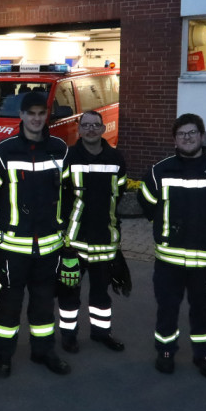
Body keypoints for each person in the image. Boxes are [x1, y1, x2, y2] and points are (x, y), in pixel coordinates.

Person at [139, 113, 206, 379]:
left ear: (202, 136)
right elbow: (146, 202)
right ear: (175, 139)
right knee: (167, 310)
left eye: (192, 132)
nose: (187, 137)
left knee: (202, 312)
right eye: (182, 134)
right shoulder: (159, 170)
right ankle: (165, 352)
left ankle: (204, 356)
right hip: (168, 260)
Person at [0, 90, 71, 378]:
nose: (36, 119)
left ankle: (43, 351)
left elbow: (67, 194)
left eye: (41, 114)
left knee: (44, 304)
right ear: (21, 116)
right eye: (30, 114)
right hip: (13, 249)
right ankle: (3, 356)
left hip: (49, 247)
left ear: (47, 116)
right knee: (9, 306)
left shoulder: (60, 149)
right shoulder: (3, 151)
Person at [58, 109, 127, 354]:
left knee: (101, 293)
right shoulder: (69, 157)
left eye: (95, 125)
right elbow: (61, 196)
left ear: (103, 129)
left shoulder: (116, 158)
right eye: (85, 125)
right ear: (79, 129)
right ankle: (68, 336)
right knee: (70, 293)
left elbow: (116, 197)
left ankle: (101, 333)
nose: (90, 129)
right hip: (74, 239)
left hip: (105, 239)